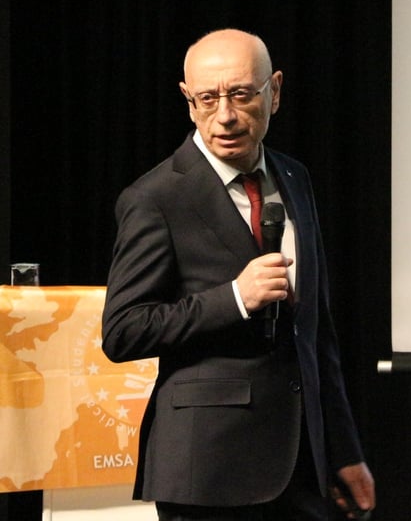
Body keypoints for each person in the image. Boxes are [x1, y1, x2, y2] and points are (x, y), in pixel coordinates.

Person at [102, 29, 375, 521]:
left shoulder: (294, 177)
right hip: (208, 470)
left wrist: (343, 449)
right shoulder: (156, 198)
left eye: (242, 94)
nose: (225, 115)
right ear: (189, 102)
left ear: (275, 91)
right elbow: (123, 330)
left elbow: (316, 330)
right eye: (207, 98)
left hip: (302, 467)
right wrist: (235, 298)